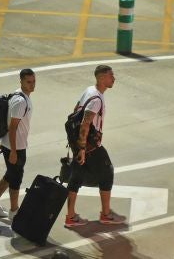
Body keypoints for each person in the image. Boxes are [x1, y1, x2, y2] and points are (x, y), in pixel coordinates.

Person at [64, 65, 126, 228]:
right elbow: (85, 124)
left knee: (76, 176)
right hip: (90, 146)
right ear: (101, 78)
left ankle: (70, 216)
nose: (113, 78)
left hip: (77, 142)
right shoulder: (97, 99)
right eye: (110, 75)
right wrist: (83, 149)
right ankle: (106, 214)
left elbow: (75, 111)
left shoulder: (89, 90)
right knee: (107, 173)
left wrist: (77, 146)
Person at [0, 69, 35, 220]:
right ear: (21, 81)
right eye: (28, 82)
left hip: (14, 145)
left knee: (10, 175)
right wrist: (14, 151)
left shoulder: (20, 95)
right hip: (15, 147)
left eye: (33, 81)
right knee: (16, 179)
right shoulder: (20, 102)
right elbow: (12, 127)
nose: (32, 85)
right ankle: (14, 211)